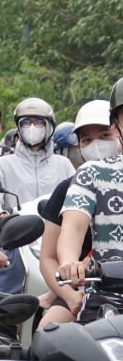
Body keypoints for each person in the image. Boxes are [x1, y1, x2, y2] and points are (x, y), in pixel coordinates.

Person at [38, 101, 117, 327]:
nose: (97, 145)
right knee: (48, 332)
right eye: (87, 140)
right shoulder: (69, 187)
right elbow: (51, 254)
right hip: (84, 289)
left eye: (105, 135)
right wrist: (70, 294)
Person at [56, 84, 123, 323]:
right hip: (109, 299)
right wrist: (69, 262)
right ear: (116, 124)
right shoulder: (92, 173)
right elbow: (73, 227)